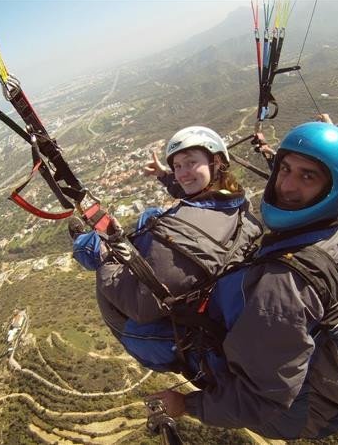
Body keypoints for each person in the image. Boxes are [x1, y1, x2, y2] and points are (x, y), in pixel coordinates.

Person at [145, 119, 338, 439]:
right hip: (321, 358)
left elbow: (259, 401)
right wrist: (336, 148)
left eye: (307, 176)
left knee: (171, 336)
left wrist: (186, 404)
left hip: (293, 414)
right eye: (285, 169)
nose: (287, 186)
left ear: (333, 188)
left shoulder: (280, 289)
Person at [71, 126, 263, 372]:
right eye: (178, 166)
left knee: (93, 250)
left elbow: (141, 306)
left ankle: (81, 243)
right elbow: (199, 198)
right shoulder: (238, 203)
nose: (182, 173)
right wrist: (165, 176)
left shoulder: (181, 236)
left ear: (216, 162)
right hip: (204, 286)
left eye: (190, 163)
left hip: (161, 334)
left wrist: (105, 258)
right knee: (150, 215)